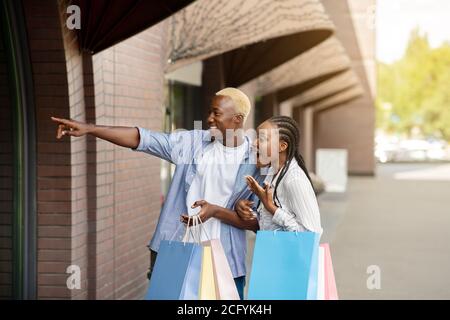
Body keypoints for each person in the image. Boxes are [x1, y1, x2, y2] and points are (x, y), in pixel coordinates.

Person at [51, 88, 262, 299]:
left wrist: (217, 211)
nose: (209, 119)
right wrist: (90, 129)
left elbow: (257, 223)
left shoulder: (255, 161)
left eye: (216, 113)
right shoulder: (193, 143)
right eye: (210, 112)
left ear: (237, 119)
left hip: (224, 261)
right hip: (176, 250)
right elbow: (143, 138)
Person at [235, 116, 322, 233]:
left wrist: (271, 208)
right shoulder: (272, 172)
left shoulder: (294, 180)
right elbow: (269, 223)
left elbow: (311, 233)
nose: (254, 144)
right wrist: (247, 209)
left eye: (262, 139)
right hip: (272, 250)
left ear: (282, 146)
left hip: (287, 251)